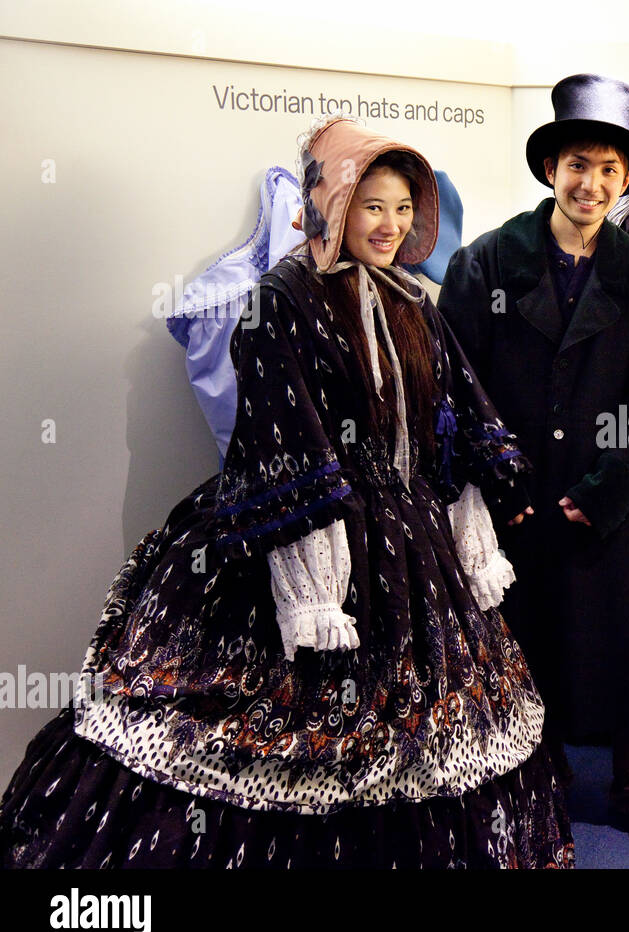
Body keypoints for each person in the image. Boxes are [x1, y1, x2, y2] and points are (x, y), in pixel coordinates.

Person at [0, 117, 573, 869]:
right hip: (307, 535)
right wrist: (312, 590)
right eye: (373, 206)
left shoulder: (413, 300)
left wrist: (468, 529)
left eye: (404, 208)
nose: (392, 225)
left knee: (426, 739)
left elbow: (458, 417)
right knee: (278, 739)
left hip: (412, 544)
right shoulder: (284, 295)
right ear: (333, 201)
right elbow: (282, 434)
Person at [437, 74, 629, 860]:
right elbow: (454, 382)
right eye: (580, 164)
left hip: (596, 499)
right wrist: (499, 484)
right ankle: (523, 794)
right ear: (552, 168)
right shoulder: (486, 261)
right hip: (509, 499)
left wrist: (604, 490)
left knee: (617, 653)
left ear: (628, 180)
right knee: (514, 647)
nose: (593, 183)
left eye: (610, 170)